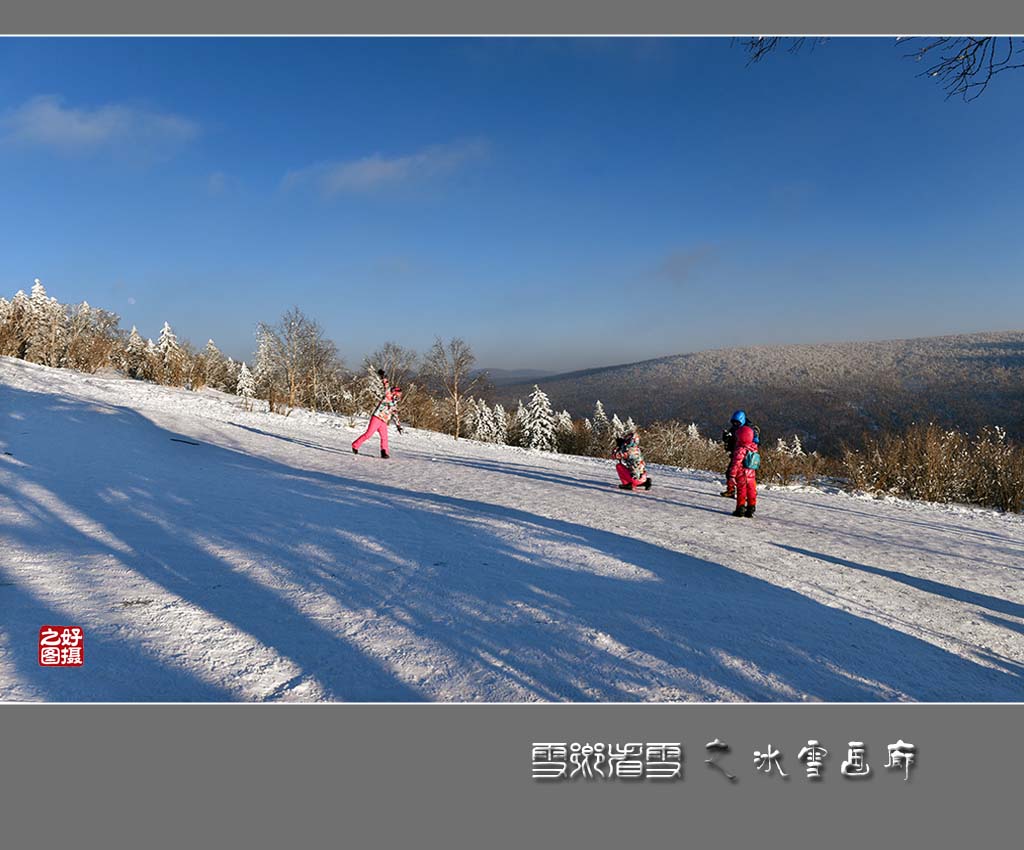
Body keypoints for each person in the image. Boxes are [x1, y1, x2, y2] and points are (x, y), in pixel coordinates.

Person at [352, 370, 404, 458]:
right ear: (394, 393)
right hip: (376, 418)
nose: (399, 397)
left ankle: (384, 452)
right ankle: (355, 445)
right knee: (369, 434)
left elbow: (395, 415)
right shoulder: (388, 396)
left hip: (383, 421)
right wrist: (383, 377)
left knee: (384, 437)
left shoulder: (394, 404)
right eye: (398, 395)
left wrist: (398, 426)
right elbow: (386, 386)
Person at [720, 410, 759, 497]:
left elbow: (755, 441)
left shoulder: (750, 429)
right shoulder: (734, 428)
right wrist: (726, 438)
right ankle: (731, 490)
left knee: (746, 475)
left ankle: (749, 492)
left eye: (737, 422)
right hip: (737, 452)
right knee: (731, 472)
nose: (735, 424)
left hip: (746, 455)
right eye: (733, 422)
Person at [727, 422, 759, 517]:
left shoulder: (740, 449)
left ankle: (740, 508)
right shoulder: (753, 447)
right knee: (751, 490)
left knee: (741, 491)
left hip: (742, 473)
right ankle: (751, 507)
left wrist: (732, 475)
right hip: (751, 473)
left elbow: (736, 463)